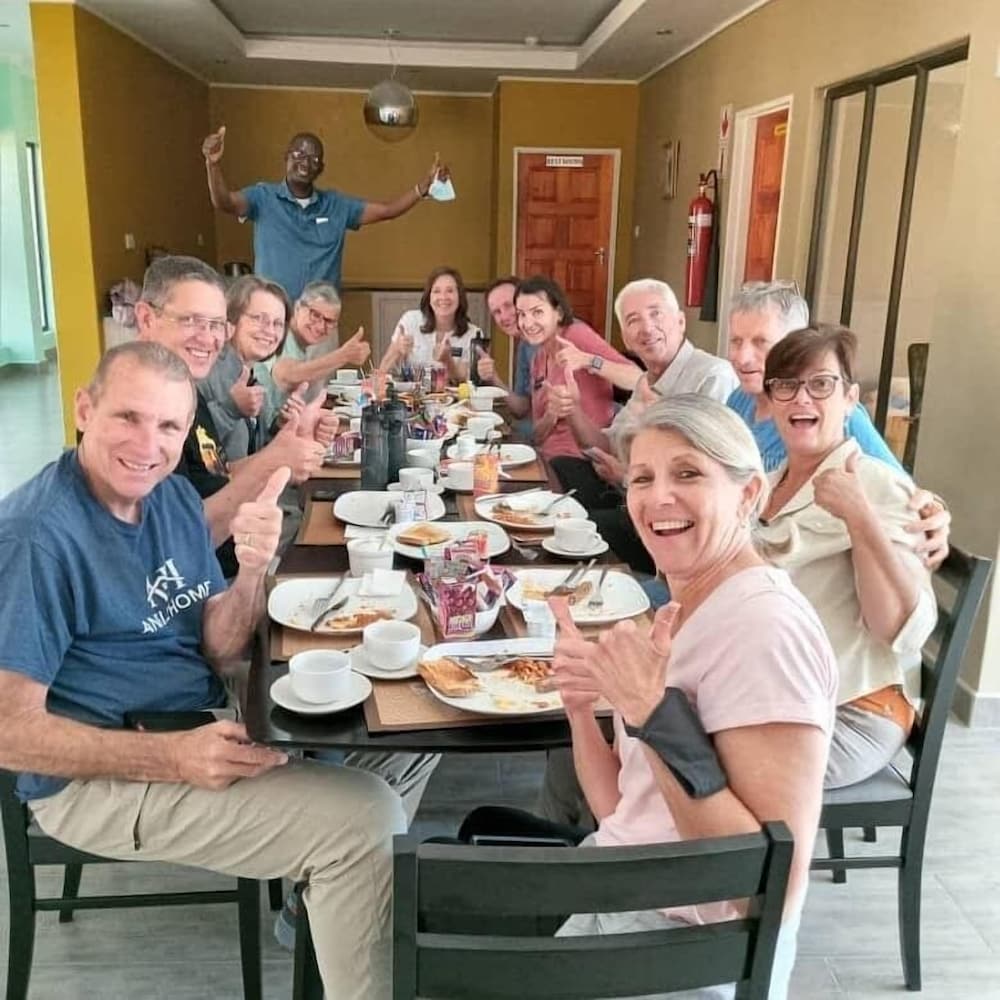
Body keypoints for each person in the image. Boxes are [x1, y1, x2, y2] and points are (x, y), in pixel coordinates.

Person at [0, 342, 404, 999]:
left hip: (204, 715)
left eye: (168, 426)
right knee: (365, 820)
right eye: (128, 417)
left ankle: (343, 899)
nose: (147, 445)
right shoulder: (36, 538)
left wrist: (251, 572)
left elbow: (216, 644)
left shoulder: (169, 497)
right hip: (95, 779)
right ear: (84, 409)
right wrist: (173, 758)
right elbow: (8, 734)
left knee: (404, 731)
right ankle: (348, 883)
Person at [460, 395, 838, 1000]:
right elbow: (621, 809)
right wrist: (581, 707)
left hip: (674, 951)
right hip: (622, 885)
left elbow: (769, 888)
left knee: (417, 922)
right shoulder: (681, 610)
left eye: (688, 473)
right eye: (642, 478)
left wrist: (654, 715)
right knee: (456, 855)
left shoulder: (765, 630)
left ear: (747, 494)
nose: (659, 497)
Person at [757, 326, 936, 789]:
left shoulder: (877, 486)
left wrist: (860, 518)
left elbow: (896, 627)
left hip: (851, 712)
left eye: (821, 384)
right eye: (786, 385)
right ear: (770, 401)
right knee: (646, 726)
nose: (802, 398)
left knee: (689, 765)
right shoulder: (768, 485)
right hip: (776, 696)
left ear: (850, 398)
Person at [725, 281, 951, 569]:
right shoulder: (738, 401)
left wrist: (933, 510)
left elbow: (902, 493)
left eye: (760, 342)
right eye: (736, 341)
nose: (743, 357)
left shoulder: (837, 414)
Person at [134, 256, 330, 577]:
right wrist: (274, 460)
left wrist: (286, 443)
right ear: (145, 318)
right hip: (205, 580)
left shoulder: (185, 391)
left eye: (215, 324)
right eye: (191, 320)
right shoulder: (138, 407)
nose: (208, 338)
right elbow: (178, 544)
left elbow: (217, 474)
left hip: (232, 564)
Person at [547, 278, 738, 516]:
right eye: (633, 320)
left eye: (656, 314)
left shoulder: (713, 376)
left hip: (675, 511)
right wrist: (573, 408)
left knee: (569, 527)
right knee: (559, 468)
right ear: (626, 338)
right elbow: (607, 445)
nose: (647, 328)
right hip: (628, 493)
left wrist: (627, 477)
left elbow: (702, 474)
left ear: (680, 322)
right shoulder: (645, 382)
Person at [202, 127, 449, 300]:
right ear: (286, 157)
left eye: (314, 158)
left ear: (321, 168)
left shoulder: (336, 205)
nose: (305, 162)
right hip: (272, 318)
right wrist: (212, 165)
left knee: (325, 366)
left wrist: (421, 189)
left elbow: (387, 210)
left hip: (320, 322)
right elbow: (224, 202)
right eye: (299, 154)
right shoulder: (263, 197)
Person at [515, 275, 639, 464]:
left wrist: (587, 360)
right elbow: (538, 436)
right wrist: (551, 414)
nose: (527, 323)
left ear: (558, 313)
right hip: (547, 457)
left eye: (537, 312)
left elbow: (637, 378)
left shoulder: (576, 334)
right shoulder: (538, 359)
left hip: (584, 459)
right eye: (521, 314)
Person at [199, 273, 291, 459]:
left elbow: (256, 451)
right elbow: (189, 448)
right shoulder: (205, 370)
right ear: (231, 320)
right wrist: (230, 409)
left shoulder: (255, 373)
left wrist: (280, 425)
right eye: (258, 318)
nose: (270, 330)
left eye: (277, 323)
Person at [268, 281, 371, 413]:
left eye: (329, 321)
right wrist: (343, 355)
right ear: (297, 307)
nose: (321, 327)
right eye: (315, 315)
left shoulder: (303, 343)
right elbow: (286, 376)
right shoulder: (278, 332)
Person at [379, 267, 482, 382]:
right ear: (429, 297)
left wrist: (448, 361)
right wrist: (397, 350)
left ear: (460, 296)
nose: (443, 297)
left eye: (450, 291)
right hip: (410, 393)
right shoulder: (410, 320)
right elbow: (383, 370)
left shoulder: (473, 334)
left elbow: (466, 383)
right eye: (437, 291)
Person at [475, 276, 533, 422]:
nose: (504, 316)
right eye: (497, 312)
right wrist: (494, 378)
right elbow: (521, 409)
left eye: (509, 305)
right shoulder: (524, 347)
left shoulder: (570, 333)